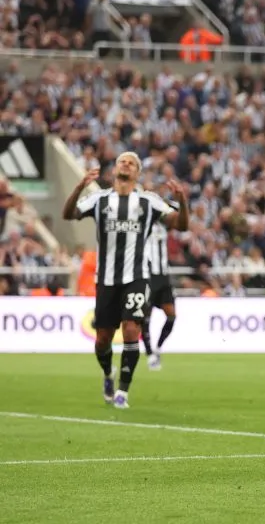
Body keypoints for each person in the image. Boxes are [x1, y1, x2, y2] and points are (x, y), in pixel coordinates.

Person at [61, 153, 189, 409]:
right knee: (103, 340)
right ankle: (108, 374)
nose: (126, 163)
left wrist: (182, 202)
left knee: (132, 329)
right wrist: (79, 187)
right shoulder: (99, 199)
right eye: (122, 161)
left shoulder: (148, 201)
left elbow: (181, 225)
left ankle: (123, 391)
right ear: (116, 169)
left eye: (132, 162)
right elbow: (68, 214)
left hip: (137, 277)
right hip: (106, 280)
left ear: (137, 173)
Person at [141, 186, 181, 371]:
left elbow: (177, 208)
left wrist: (164, 201)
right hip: (147, 275)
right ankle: (150, 353)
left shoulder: (164, 223)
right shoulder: (142, 221)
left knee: (171, 315)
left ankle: (158, 347)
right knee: (145, 317)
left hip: (163, 276)